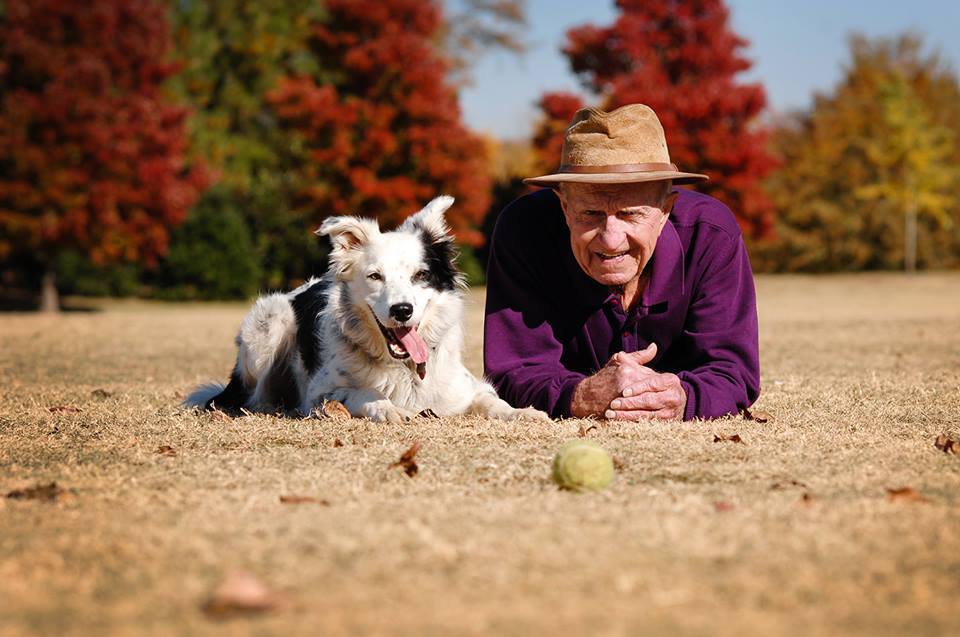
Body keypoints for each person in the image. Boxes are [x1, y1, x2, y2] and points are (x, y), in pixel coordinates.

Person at [483, 104, 760, 421]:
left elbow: (733, 371)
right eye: (590, 214)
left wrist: (682, 397)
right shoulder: (523, 231)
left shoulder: (712, 235)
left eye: (630, 214)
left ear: (664, 210)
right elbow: (513, 372)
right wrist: (582, 396)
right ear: (564, 205)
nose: (611, 238)